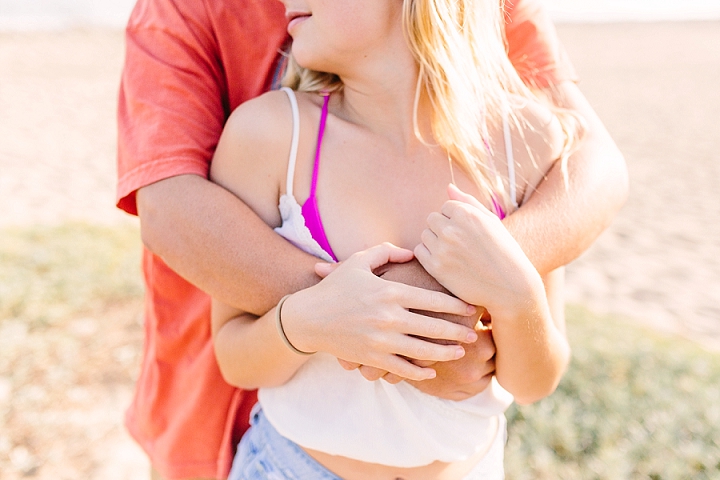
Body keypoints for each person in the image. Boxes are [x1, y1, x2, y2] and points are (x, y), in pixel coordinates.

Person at [116, 0, 627, 479]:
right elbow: (225, 332)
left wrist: (511, 300)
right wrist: (339, 318)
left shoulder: (527, 147)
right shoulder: (270, 136)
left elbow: (538, 377)